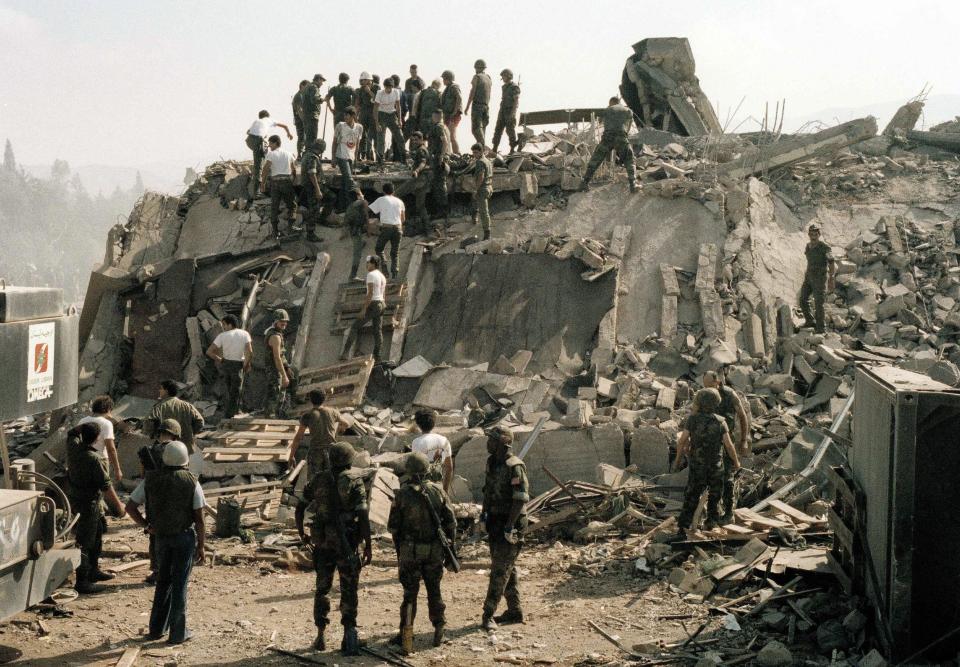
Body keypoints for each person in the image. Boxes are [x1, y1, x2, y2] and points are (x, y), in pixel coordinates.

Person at [126, 441, 206, 645]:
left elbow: (130, 507)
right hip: (183, 537)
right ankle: (178, 633)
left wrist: (147, 526)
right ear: (185, 460)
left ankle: (156, 629)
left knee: (163, 581)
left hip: (161, 538)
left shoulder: (151, 480)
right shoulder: (191, 481)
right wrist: (201, 546)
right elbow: (199, 518)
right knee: (180, 584)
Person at [296, 442, 372, 655]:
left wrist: (301, 532)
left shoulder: (318, 479)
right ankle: (349, 636)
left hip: (322, 542)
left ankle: (320, 635)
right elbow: (363, 515)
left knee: (322, 588)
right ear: (349, 459)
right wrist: (368, 544)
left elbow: (300, 506)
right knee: (349, 588)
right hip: (346, 542)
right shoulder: (355, 481)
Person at [388, 452, 457, 654]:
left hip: (409, 551)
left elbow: (393, 529)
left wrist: (400, 552)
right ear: (428, 470)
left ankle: (405, 635)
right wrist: (449, 547)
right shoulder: (438, 492)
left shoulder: (401, 495)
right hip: (434, 550)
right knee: (434, 590)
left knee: (410, 594)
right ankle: (439, 631)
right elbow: (451, 523)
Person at [673, 388, 742, 537]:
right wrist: (736, 462)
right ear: (716, 403)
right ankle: (711, 525)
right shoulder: (720, 422)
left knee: (692, 496)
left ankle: (683, 528)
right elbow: (729, 445)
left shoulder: (692, 420)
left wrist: (677, 461)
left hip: (697, 466)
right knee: (715, 497)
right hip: (716, 467)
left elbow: (682, 441)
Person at [67, 422, 125, 594]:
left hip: (77, 500)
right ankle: (82, 581)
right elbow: (106, 486)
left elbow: (71, 432)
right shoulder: (94, 459)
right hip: (89, 503)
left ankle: (93, 571)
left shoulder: (73, 448)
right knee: (86, 542)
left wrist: (83, 427)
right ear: (97, 438)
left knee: (97, 533)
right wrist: (118, 508)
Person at [480, 425, 529, 631]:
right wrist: (483, 516)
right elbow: (487, 492)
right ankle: (514, 610)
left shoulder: (514, 466)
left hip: (511, 523)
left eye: (491, 440)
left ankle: (488, 614)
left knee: (499, 570)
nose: (487, 443)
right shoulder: (492, 462)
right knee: (506, 567)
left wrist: (510, 526)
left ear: (502, 444)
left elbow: (519, 499)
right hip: (495, 521)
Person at [137, 418, 182, 585]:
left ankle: (157, 570)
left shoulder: (149, 451)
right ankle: (172, 569)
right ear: (176, 436)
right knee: (174, 534)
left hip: (153, 500)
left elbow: (143, 475)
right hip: (173, 498)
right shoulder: (178, 450)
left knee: (154, 534)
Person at [703, 370, 750, 523]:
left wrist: (744, 440)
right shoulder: (705, 394)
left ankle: (729, 513)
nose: (707, 389)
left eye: (710, 385)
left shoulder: (730, 395)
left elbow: (742, 416)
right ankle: (713, 514)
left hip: (727, 439)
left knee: (727, 476)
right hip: (710, 441)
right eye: (705, 386)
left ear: (717, 382)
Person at [580, 97, 637, 193]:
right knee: (629, 159)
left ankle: (584, 183)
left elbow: (604, 123)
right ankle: (633, 184)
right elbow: (628, 127)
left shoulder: (608, 110)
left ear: (611, 103)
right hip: (621, 137)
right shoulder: (628, 111)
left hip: (607, 137)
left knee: (596, 159)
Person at [289, 389, 350, 476]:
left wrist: (291, 456)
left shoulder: (307, 415)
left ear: (311, 400)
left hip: (315, 452)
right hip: (331, 451)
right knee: (330, 479)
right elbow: (346, 424)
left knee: (313, 481)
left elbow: (298, 438)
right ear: (324, 399)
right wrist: (340, 429)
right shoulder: (332, 412)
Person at [206, 315, 253, 418]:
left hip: (226, 364)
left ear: (230, 324)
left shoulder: (222, 336)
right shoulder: (245, 334)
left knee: (227, 390)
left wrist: (220, 359)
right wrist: (246, 364)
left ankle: (228, 414)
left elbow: (209, 352)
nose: (223, 327)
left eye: (224, 324)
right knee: (237, 390)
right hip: (239, 364)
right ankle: (235, 412)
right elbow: (250, 352)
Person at [341, 256, 387, 362]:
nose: (366, 265)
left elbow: (370, 293)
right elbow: (383, 292)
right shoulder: (382, 276)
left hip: (373, 304)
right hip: (381, 304)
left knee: (355, 327)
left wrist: (363, 309)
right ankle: (378, 356)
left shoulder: (371, 275)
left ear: (374, 264)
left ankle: (345, 353)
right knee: (377, 330)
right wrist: (384, 304)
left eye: (368, 263)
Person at [146, 380, 205, 454]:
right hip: (185, 447)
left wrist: (155, 436)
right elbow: (200, 422)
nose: (159, 390)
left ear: (166, 391)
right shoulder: (187, 406)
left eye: (161, 388)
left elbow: (148, 424)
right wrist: (189, 433)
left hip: (165, 448)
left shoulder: (159, 407)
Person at [246, 110, 293, 199]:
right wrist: (289, 134)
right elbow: (285, 126)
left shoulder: (257, 121)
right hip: (257, 141)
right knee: (258, 166)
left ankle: (268, 166)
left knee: (265, 154)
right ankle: (257, 193)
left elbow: (248, 132)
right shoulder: (270, 120)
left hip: (249, 140)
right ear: (268, 116)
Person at [799, 223, 837, 334]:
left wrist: (831, 277)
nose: (813, 236)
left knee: (819, 303)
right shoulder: (808, 246)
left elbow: (831, 261)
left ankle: (821, 329)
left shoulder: (824, 247)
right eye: (811, 234)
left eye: (815, 234)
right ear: (809, 235)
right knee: (803, 299)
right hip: (809, 277)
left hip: (820, 278)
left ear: (819, 235)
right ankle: (810, 321)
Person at [260, 135, 299, 238]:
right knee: (292, 206)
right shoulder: (289, 154)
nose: (269, 146)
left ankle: (275, 232)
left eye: (270, 144)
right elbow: (293, 169)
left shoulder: (271, 154)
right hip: (286, 182)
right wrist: (293, 180)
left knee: (274, 207)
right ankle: (290, 227)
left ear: (275, 143)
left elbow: (265, 170)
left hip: (275, 183)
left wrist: (262, 184)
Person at [78, 394, 122, 483]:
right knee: (101, 489)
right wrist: (117, 470)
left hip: (83, 460)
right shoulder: (106, 424)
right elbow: (111, 449)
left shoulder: (82, 421)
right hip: (100, 461)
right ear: (108, 409)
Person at [410, 409, 453, 494]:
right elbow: (449, 468)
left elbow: (415, 470)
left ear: (418, 425)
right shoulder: (444, 440)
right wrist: (445, 492)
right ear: (434, 424)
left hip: (422, 489)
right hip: (439, 487)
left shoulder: (416, 442)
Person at [370, 181, 405, 279]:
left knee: (379, 249)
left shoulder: (381, 199)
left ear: (383, 191)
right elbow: (403, 219)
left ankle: (385, 270)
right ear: (393, 191)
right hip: (398, 228)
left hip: (386, 228)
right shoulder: (400, 201)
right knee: (395, 252)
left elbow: (370, 210)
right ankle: (395, 274)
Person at [334, 107, 364, 213]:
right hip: (341, 155)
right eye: (345, 115)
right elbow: (335, 142)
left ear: (353, 116)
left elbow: (358, 143)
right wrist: (333, 158)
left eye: (347, 115)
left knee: (344, 182)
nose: (345, 117)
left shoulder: (359, 127)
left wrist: (356, 157)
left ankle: (342, 206)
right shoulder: (340, 126)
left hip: (350, 156)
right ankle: (358, 199)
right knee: (350, 179)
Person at [264, 309, 292, 418]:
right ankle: (271, 418)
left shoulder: (276, 333)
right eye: (282, 321)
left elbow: (281, 356)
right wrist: (284, 376)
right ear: (276, 321)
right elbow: (277, 358)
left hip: (276, 368)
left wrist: (287, 367)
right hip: (274, 370)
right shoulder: (275, 337)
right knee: (275, 395)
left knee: (278, 394)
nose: (284, 323)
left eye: (286, 321)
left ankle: (275, 415)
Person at [427, 108, 452, 228]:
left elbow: (445, 142)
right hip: (440, 157)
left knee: (439, 185)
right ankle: (442, 211)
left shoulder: (438, 127)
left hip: (439, 158)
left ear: (436, 116)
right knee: (439, 185)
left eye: (433, 116)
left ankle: (442, 211)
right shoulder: (445, 126)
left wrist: (441, 157)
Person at [299, 138, 326, 242]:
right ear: (322, 149)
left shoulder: (307, 154)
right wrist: (318, 190)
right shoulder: (312, 157)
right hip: (312, 188)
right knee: (313, 210)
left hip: (308, 186)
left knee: (312, 208)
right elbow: (312, 173)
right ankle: (310, 234)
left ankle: (313, 225)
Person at [374, 77, 405, 164]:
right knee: (381, 138)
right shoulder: (379, 93)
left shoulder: (396, 92)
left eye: (390, 87)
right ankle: (380, 158)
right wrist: (377, 123)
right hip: (381, 114)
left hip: (392, 114)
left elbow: (398, 106)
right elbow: (375, 108)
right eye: (387, 87)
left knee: (399, 135)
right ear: (384, 87)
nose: (388, 89)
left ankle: (403, 157)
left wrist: (399, 120)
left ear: (392, 87)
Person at [327, 73, 356, 158]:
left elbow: (327, 98)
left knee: (337, 134)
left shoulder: (334, 88)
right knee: (348, 134)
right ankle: (347, 154)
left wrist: (331, 109)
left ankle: (336, 155)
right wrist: (353, 108)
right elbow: (357, 97)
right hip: (347, 114)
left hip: (337, 113)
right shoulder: (349, 88)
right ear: (347, 80)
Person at [491, 69, 521, 155]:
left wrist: (513, 113)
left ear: (509, 76)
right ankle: (494, 149)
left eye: (504, 76)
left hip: (509, 111)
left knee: (510, 130)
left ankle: (512, 149)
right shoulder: (504, 87)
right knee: (498, 130)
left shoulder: (514, 87)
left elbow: (516, 101)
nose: (503, 78)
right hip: (502, 111)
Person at [464, 59, 493, 148]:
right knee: (482, 129)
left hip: (477, 106)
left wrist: (467, 107)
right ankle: (481, 147)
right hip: (486, 106)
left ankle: (482, 147)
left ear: (476, 68)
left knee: (476, 129)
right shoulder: (488, 78)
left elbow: (472, 92)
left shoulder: (477, 77)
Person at [344, 188, 371, 280]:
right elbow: (366, 213)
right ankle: (353, 275)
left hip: (353, 229)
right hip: (357, 231)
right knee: (357, 254)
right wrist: (368, 228)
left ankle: (361, 243)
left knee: (358, 242)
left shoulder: (349, 207)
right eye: (360, 194)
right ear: (357, 196)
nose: (362, 195)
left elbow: (346, 221)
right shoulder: (361, 202)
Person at [470, 143, 494, 240]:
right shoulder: (488, 161)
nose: (474, 154)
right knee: (475, 201)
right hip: (489, 187)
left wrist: (476, 189)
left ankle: (487, 233)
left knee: (484, 212)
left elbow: (480, 177)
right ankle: (474, 217)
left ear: (481, 152)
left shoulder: (480, 162)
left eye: (476, 152)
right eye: (473, 153)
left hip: (482, 188)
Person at [408, 131, 431, 231]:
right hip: (422, 179)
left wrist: (416, 170)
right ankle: (426, 228)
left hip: (421, 179)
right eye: (413, 140)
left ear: (421, 140)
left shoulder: (421, 150)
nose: (414, 142)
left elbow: (423, 163)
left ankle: (427, 229)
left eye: (416, 140)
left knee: (396, 194)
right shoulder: (420, 149)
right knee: (420, 205)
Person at [440, 70, 462, 154]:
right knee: (448, 136)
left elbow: (459, 98)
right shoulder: (448, 88)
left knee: (452, 136)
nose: (443, 81)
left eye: (444, 79)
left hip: (453, 115)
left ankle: (457, 154)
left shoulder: (454, 87)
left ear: (449, 78)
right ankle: (450, 154)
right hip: (448, 115)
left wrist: (455, 111)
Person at [301, 74, 327, 148]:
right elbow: (314, 99)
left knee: (308, 138)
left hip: (306, 116)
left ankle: (307, 153)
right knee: (312, 138)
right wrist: (323, 99)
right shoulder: (314, 87)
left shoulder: (307, 87)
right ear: (318, 79)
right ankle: (310, 155)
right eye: (321, 81)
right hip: (312, 116)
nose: (322, 83)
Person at [355, 73, 377, 161]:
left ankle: (372, 154)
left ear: (369, 80)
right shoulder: (361, 89)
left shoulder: (376, 88)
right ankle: (362, 154)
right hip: (364, 112)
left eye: (364, 80)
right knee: (362, 133)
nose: (362, 82)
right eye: (361, 80)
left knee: (373, 134)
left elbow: (378, 99)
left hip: (373, 112)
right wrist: (356, 115)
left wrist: (369, 92)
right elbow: (358, 103)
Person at [293, 79, 309, 157]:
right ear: (302, 85)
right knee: (302, 137)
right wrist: (304, 121)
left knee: (304, 137)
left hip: (301, 119)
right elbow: (299, 110)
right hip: (300, 120)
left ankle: (302, 153)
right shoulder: (299, 96)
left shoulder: (302, 95)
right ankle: (299, 154)